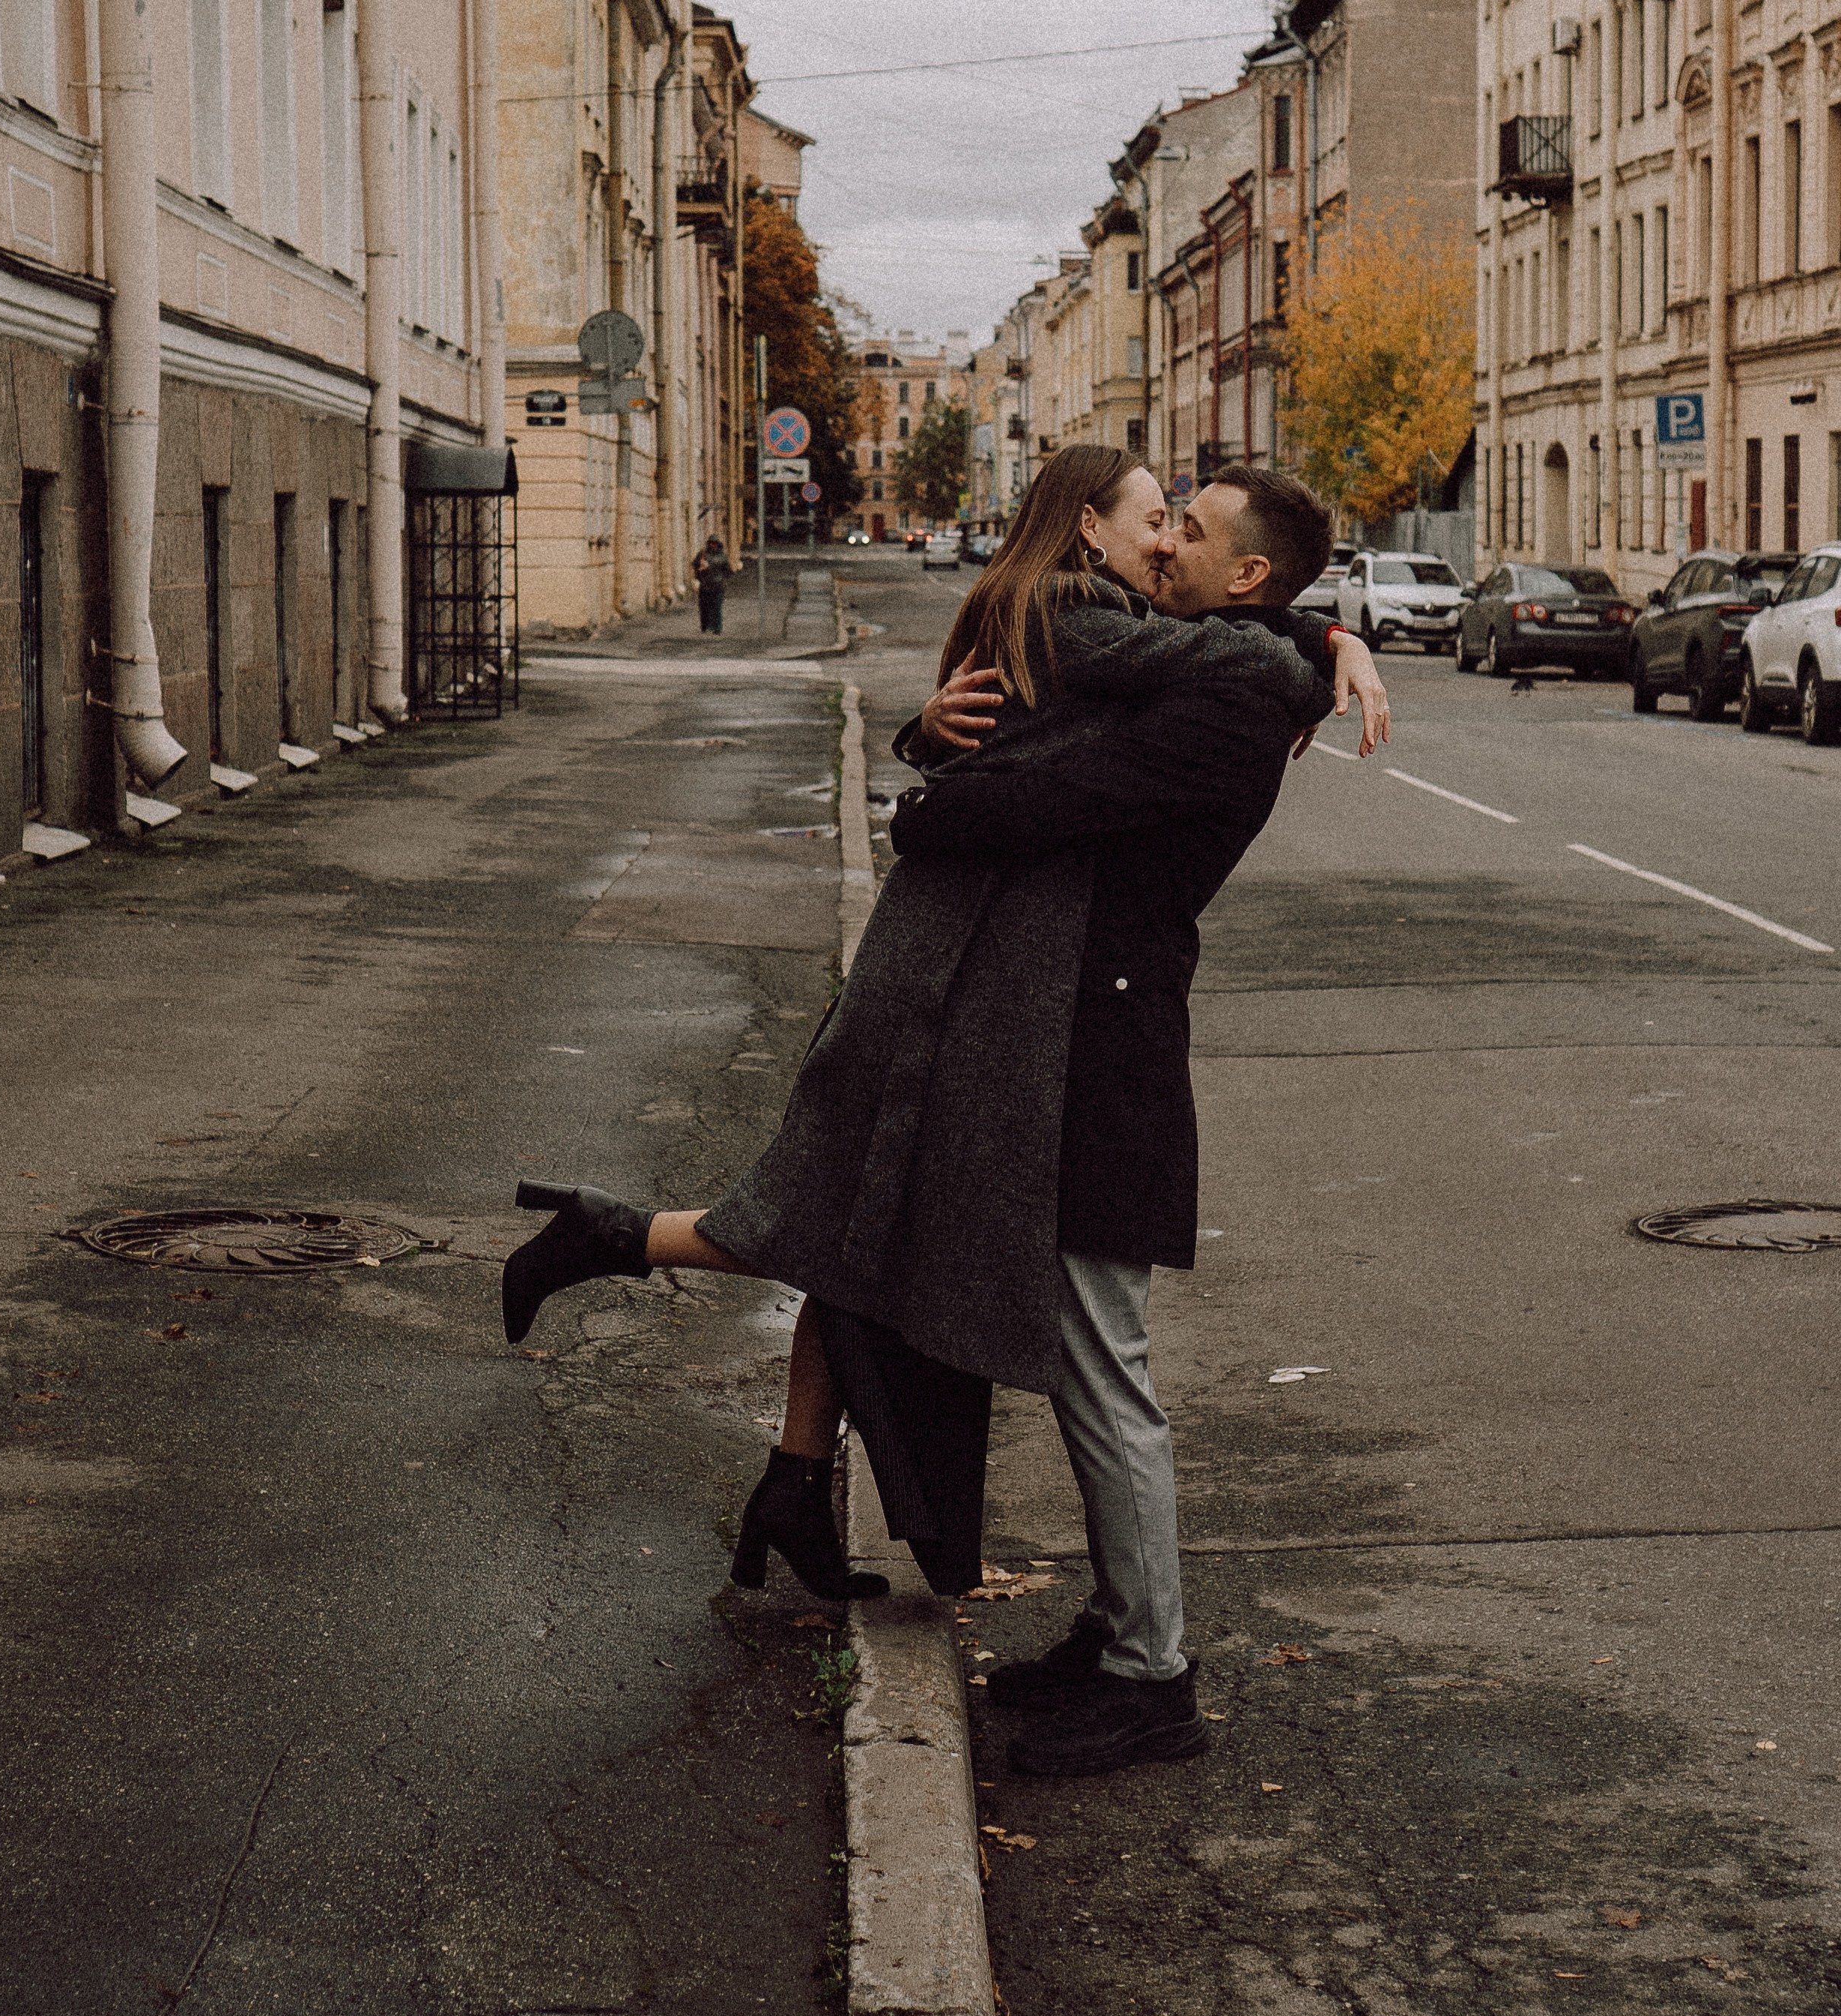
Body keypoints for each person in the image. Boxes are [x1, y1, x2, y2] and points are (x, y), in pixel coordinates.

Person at [499, 449, 1387, 1655]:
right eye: (1152, 517)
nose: (1165, 538)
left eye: (1182, 524)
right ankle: (620, 1247)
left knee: (862, 1229)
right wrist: (1312, 652)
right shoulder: (1075, 621)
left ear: (1240, 570)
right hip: (953, 985)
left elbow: (1069, 769)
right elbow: (1040, 774)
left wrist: (1324, 643)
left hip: (985, 986)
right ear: (1086, 529)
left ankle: (796, 1481)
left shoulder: (1120, 631)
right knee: (848, 1219)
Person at [692, 532, 733, 634]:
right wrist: (700, 568)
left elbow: (728, 571)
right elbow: (695, 565)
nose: (713, 545)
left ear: (719, 544)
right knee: (704, 608)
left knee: (717, 608)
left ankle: (717, 628)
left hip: (718, 586)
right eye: (711, 543)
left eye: (715, 543)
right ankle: (705, 627)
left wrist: (722, 576)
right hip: (705, 586)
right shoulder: (703, 554)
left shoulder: (723, 556)